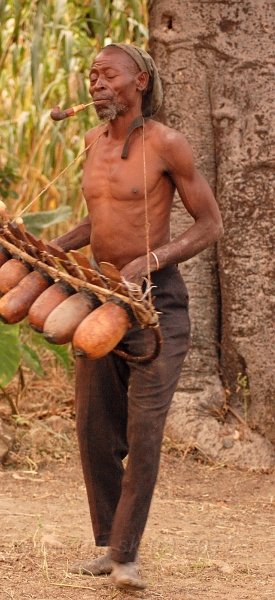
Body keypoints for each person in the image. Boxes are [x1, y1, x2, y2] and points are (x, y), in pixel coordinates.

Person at [48, 43, 223, 590]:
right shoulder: (91, 140)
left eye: (109, 75)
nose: (97, 84)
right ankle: (107, 546)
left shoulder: (167, 144)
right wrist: (50, 247)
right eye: (92, 76)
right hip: (102, 298)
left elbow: (209, 223)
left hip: (155, 304)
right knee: (94, 428)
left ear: (141, 81)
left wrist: (155, 258)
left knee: (144, 433)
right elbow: (100, 222)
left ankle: (127, 556)